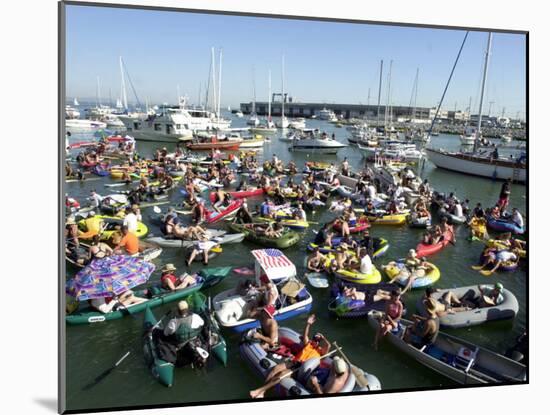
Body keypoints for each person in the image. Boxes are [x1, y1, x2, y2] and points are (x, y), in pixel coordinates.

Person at [249, 314, 330, 399]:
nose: (315, 341)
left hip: (301, 368)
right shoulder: (308, 344)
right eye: (314, 339)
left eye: (317, 340)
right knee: (275, 369)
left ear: (319, 343)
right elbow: (305, 335)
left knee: (281, 375)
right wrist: (308, 324)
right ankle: (262, 391)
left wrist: (323, 338)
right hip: (293, 362)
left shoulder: (320, 352)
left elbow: (328, 346)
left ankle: (259, 391)